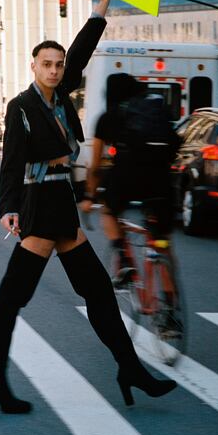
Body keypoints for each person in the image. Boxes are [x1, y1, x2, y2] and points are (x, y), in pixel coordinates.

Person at [0, 0, 177, 414]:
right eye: (46, 64)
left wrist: (100, 8)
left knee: (99, 294)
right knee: (14, 297)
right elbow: (10, 161)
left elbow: (83, 51)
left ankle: (130, 369)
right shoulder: (21, 107)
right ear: (33, 66)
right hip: (38, 205)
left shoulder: (63, 99)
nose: (53, 70)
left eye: (58, 64)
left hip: (61, 204)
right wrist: (7, 207)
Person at [81, 73, 180, 291]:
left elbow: (95, 166)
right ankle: (170, 313)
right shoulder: (157, 111)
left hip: (127, 177)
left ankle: (124, 261)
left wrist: (89, 197)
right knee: (163, 241)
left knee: (108, 211)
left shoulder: (108, 117)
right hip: (161, 180)